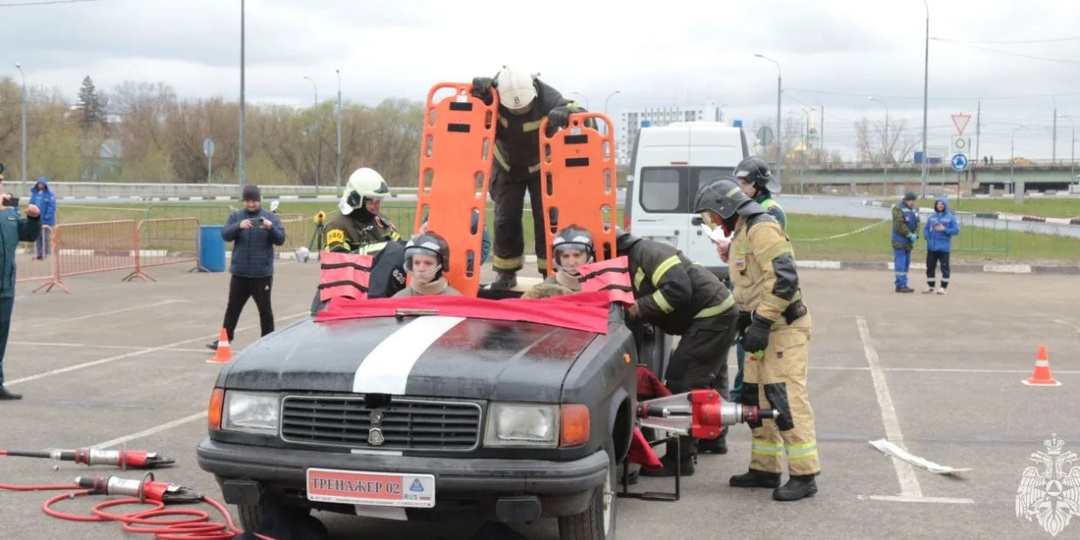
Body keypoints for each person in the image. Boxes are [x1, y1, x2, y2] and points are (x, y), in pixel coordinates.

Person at [694, 177, 819, 502]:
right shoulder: (743, 232)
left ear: (725, 208)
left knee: (786, 400)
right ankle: (765, 469)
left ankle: (805, 475)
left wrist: (761, 322)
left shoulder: (761, 228)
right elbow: (752, 280)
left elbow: (784, 278)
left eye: (712, 215)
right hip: (759, 329)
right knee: (756, 402)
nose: (714, 222)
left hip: (782, 329)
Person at [616, 228, 738, 476]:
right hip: (715, 313)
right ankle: (713, 438)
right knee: (709, 380)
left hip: (711, 315)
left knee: (683, 382)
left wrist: (640, 308)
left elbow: (678, 291)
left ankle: (680, 459)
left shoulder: (648, 254)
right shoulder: (636, 257)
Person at [471, 67, 587, 290]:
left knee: (546, 220)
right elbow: (468, 110)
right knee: (505, 220)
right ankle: (506, 273)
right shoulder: (493, 93)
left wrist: (568, 113)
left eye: (524, 106)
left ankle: (548, 273)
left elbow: (579, 112)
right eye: (513, 109)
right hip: (506, 166)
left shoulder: (547, 96)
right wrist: (476, 91)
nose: (519, 111)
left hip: (542, 166)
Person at [725, 157, 787, 422]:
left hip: (762, 299)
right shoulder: (749, 209)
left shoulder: (769, 211)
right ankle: (745, 392)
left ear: (759, 185)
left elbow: (769, 259)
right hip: (746, 292)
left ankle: (744, 394)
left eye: (744, 182)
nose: (740, 187)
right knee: (744, 351)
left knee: (751, 351)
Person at [207, 185, 286, 350]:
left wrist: (270, 227)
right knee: (233, 307)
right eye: (248, 201)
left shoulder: (269, 217)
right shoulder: (236, 216)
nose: (251, 204)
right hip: (240, 273)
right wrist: (239, 226)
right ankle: (224, 339)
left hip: (261, 274)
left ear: (259, 201)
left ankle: (268, 339)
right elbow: (225, 235)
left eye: (254, 201)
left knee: (265, 310)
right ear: (243, 201)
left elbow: (280, 239)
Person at [0, 172, 42, 400]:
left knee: (1, 337)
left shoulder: (9, 214)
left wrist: (34, 219)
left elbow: (28, 234)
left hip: (5, 286)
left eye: (0, 183)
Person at [325, 167, 402, 255]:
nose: (377, 206)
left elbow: (399, 247)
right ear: (356, 200)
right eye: (373, 201)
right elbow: (339, 260)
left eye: (379, 200)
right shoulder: (337, 226)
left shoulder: (381, 221)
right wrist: (381, 249)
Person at [393, 232, 461, 297]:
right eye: (416, 263)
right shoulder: (399, 300)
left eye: (428, 263)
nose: (421, 269)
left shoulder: (455, 301)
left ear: (441, 265)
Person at [536, 225, 593, 294]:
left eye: (577, 255)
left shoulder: (603, 286)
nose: (571, 263)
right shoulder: (545, 287)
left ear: (588, 255)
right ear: (558, 258)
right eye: (565, 256)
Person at [923, 197, 960, 295]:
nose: (940, 206)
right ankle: (930, 286)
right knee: (930, 267)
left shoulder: (951, 217)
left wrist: (944, 230)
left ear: (945, 205)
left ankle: (943, 287)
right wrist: (927, 237)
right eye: (938, 204)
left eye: (942, 204)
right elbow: (926, 228)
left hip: (943, 248)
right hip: (931, 247)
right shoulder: (932, 217)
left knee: (944, 267)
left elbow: (956, 230)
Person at [892, 192, 920, 293]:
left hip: (909, 242)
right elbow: (899, 224)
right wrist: (909, 234)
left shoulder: (914, 210)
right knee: (900, 263)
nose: (912, 202)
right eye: (911, 200)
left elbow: (918, 223)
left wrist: (916, 235)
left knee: (906, 263)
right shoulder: (898, 208)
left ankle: (904, 283)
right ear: (906, 200)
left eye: (914, 200)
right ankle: (899, 285)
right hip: (899, 240)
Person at [28, 177, 56, 260]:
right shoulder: (35, 194)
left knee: (44, 236)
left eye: (42, 184)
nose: (40, 185)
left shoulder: (49, 195)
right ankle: (39, 253)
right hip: (36, 219)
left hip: (45, 220)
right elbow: (31, 204)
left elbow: (51, 207)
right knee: (37, 236)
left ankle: (45, 253)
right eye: (39, 183)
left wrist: (47, 218)